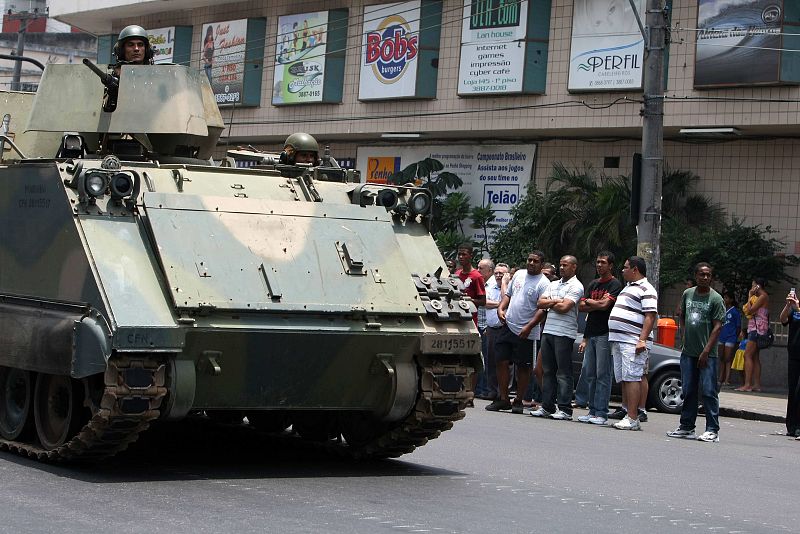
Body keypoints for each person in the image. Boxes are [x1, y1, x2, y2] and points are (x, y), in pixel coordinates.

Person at [667, 262, 725, 442]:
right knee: (689, 390)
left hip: (708, 355)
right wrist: (683, 336)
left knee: (708, 391)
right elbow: (681, 314)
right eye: (702, 274)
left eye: (708, 275)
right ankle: (686, 426)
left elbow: (717, 327)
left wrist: (706, 351)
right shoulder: (688, 294)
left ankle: (712, 429)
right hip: (688, 352)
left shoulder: (716, 299)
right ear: (696, 275)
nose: (705, 278)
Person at [486, 251, 548, 414]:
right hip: (508, 325)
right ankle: (504, 399)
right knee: (501, 361)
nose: (531, 263)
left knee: (523, 367)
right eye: (529, 260)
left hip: (526, 331)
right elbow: (509, 295)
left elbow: (542, 310)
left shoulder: (544, 283)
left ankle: (518, 400)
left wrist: (529, 326)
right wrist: (500, 308)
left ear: (542, 264)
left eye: (535, 261)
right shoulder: (519, 274)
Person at [607, 256, 658, 431]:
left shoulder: (646, 288)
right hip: (620, 339)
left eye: (625, 267)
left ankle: (633, 417)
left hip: (632, 339)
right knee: (625, 378)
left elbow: (650, 316)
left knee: (633, 377)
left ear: (635, 269)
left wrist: (641, 339)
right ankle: (627, 412)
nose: (623, 270)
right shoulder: (629, 287)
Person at [530, 255, 584, 420]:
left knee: (563, 372)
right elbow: (539, 303)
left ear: (574, 267)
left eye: (565, 265)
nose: (561, 268)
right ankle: (547, 406)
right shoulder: (553, 284)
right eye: (560, 265)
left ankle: (565, 409)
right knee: (548, 371)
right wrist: (557, 301)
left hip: (564, 333)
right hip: (548, 331)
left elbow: (565, 308)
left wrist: (551, 302)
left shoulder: (576, 286)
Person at [575, 252, 623, 425]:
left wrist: (591, 303)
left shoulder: (615, 284)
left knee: (603, 374)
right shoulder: (593, 284)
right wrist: (594, 303)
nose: (599, 265)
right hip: (591, 333)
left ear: (610, 265)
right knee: (590, 373)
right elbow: (580, 306)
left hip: (605, 333)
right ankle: (592, 410)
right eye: (597, 262)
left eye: (603, 262)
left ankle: (601, 413)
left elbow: (604, 306)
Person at [482, 262, 510, 401]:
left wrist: (504, 285)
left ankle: (503, 392)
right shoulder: (489, 287)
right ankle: (492, 390)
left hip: (505, 328)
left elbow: (508, 302)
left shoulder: (510, 288)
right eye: (497, 273)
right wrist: (500, 304)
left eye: (502, 273)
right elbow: (484, 302)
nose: (499, 276)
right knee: (491, 361)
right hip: (491, 329)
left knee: (504, 362)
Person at [737, 278, 769, 392]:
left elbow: (750, 310)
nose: (751, 288)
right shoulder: (763, 296)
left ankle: (747, 384)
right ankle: (757, 385)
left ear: (758, 286)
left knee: (747, 355)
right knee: (755, 357)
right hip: (758, 328)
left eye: (753, 285)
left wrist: (750, 294)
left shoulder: (762, 296)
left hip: (757, 329)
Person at [779, 288, 800, 437]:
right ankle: (791, 426)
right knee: (793, 390)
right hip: (794, 355)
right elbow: (783, 320)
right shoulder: (795, 309)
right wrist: (788, 305)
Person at [474, 258, 495, 399]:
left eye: (481, 268)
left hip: (488, 326)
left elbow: (487, 303)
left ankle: (486, 389)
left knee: (487, 359)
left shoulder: (493, 285)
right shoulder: (482, 283)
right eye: (478, 267)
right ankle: (480, 388)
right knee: (480, 358)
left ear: (490, 270)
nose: (478, 270)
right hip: (479, 324)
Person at [718, 290, 741, 388]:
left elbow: (738, 326)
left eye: (726, 298)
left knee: (728, 359)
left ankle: (727, 379)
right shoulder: (721, 310)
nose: (724, 299)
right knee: (721, 358)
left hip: (730, 337)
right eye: (724, 297)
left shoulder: (735, 311)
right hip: (721, 336)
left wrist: (735, 336)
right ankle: (720, 378)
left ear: (731, 299)